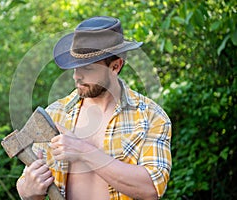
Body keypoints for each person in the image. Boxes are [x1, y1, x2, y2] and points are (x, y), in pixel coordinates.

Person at [16, 16, 172, 200]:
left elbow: (151, 188)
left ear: (115, 66)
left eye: (87, 69)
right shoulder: (55, 114)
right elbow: (26, 187)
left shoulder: (151, 116)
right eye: (75, 68)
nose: (77, 77)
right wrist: (29, 189)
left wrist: (83, 151)